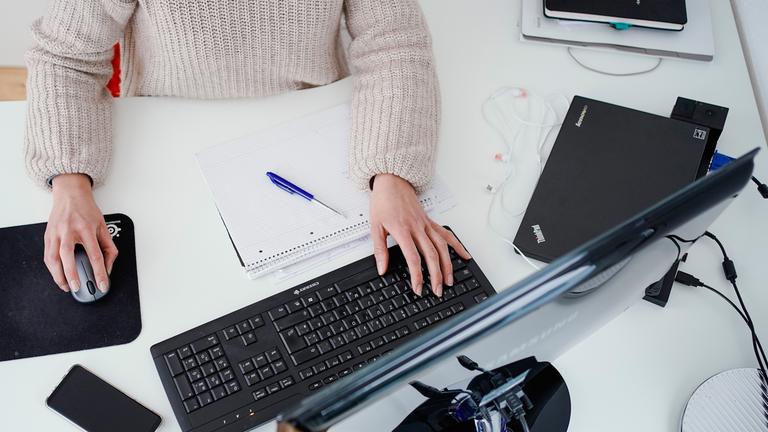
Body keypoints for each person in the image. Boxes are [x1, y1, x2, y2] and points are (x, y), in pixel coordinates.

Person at [27, 2, 467, 332]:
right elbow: (65, 57)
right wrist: (69, 181)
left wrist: (391, 174)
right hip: (170, 135)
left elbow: (394, 43)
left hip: (309, 123)